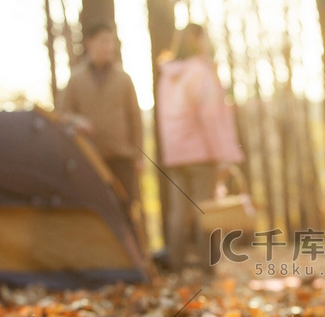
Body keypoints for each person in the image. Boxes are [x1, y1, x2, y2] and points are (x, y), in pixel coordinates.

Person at [156, 24, 244, 273]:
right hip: (201, 152)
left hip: (176, 153)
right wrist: (223, 154)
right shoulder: (200, 71)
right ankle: (208, 265)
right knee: (206, 210)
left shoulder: (168, 75)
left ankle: (175, 264)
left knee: (178, 212)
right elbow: (211, 116)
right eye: (204, 38)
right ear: (197, 41)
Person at [58, 22, 144, 212]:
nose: (108, 47)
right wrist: (77, 120)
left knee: (127, 209)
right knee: (99, 211)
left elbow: (135, 119)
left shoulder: (123, 78)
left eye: (111, 42)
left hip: (122, 158)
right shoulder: (76, 79)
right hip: (91, 159)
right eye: (103, 41)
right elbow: (62, 114)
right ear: (89, 43)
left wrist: (139, 156)